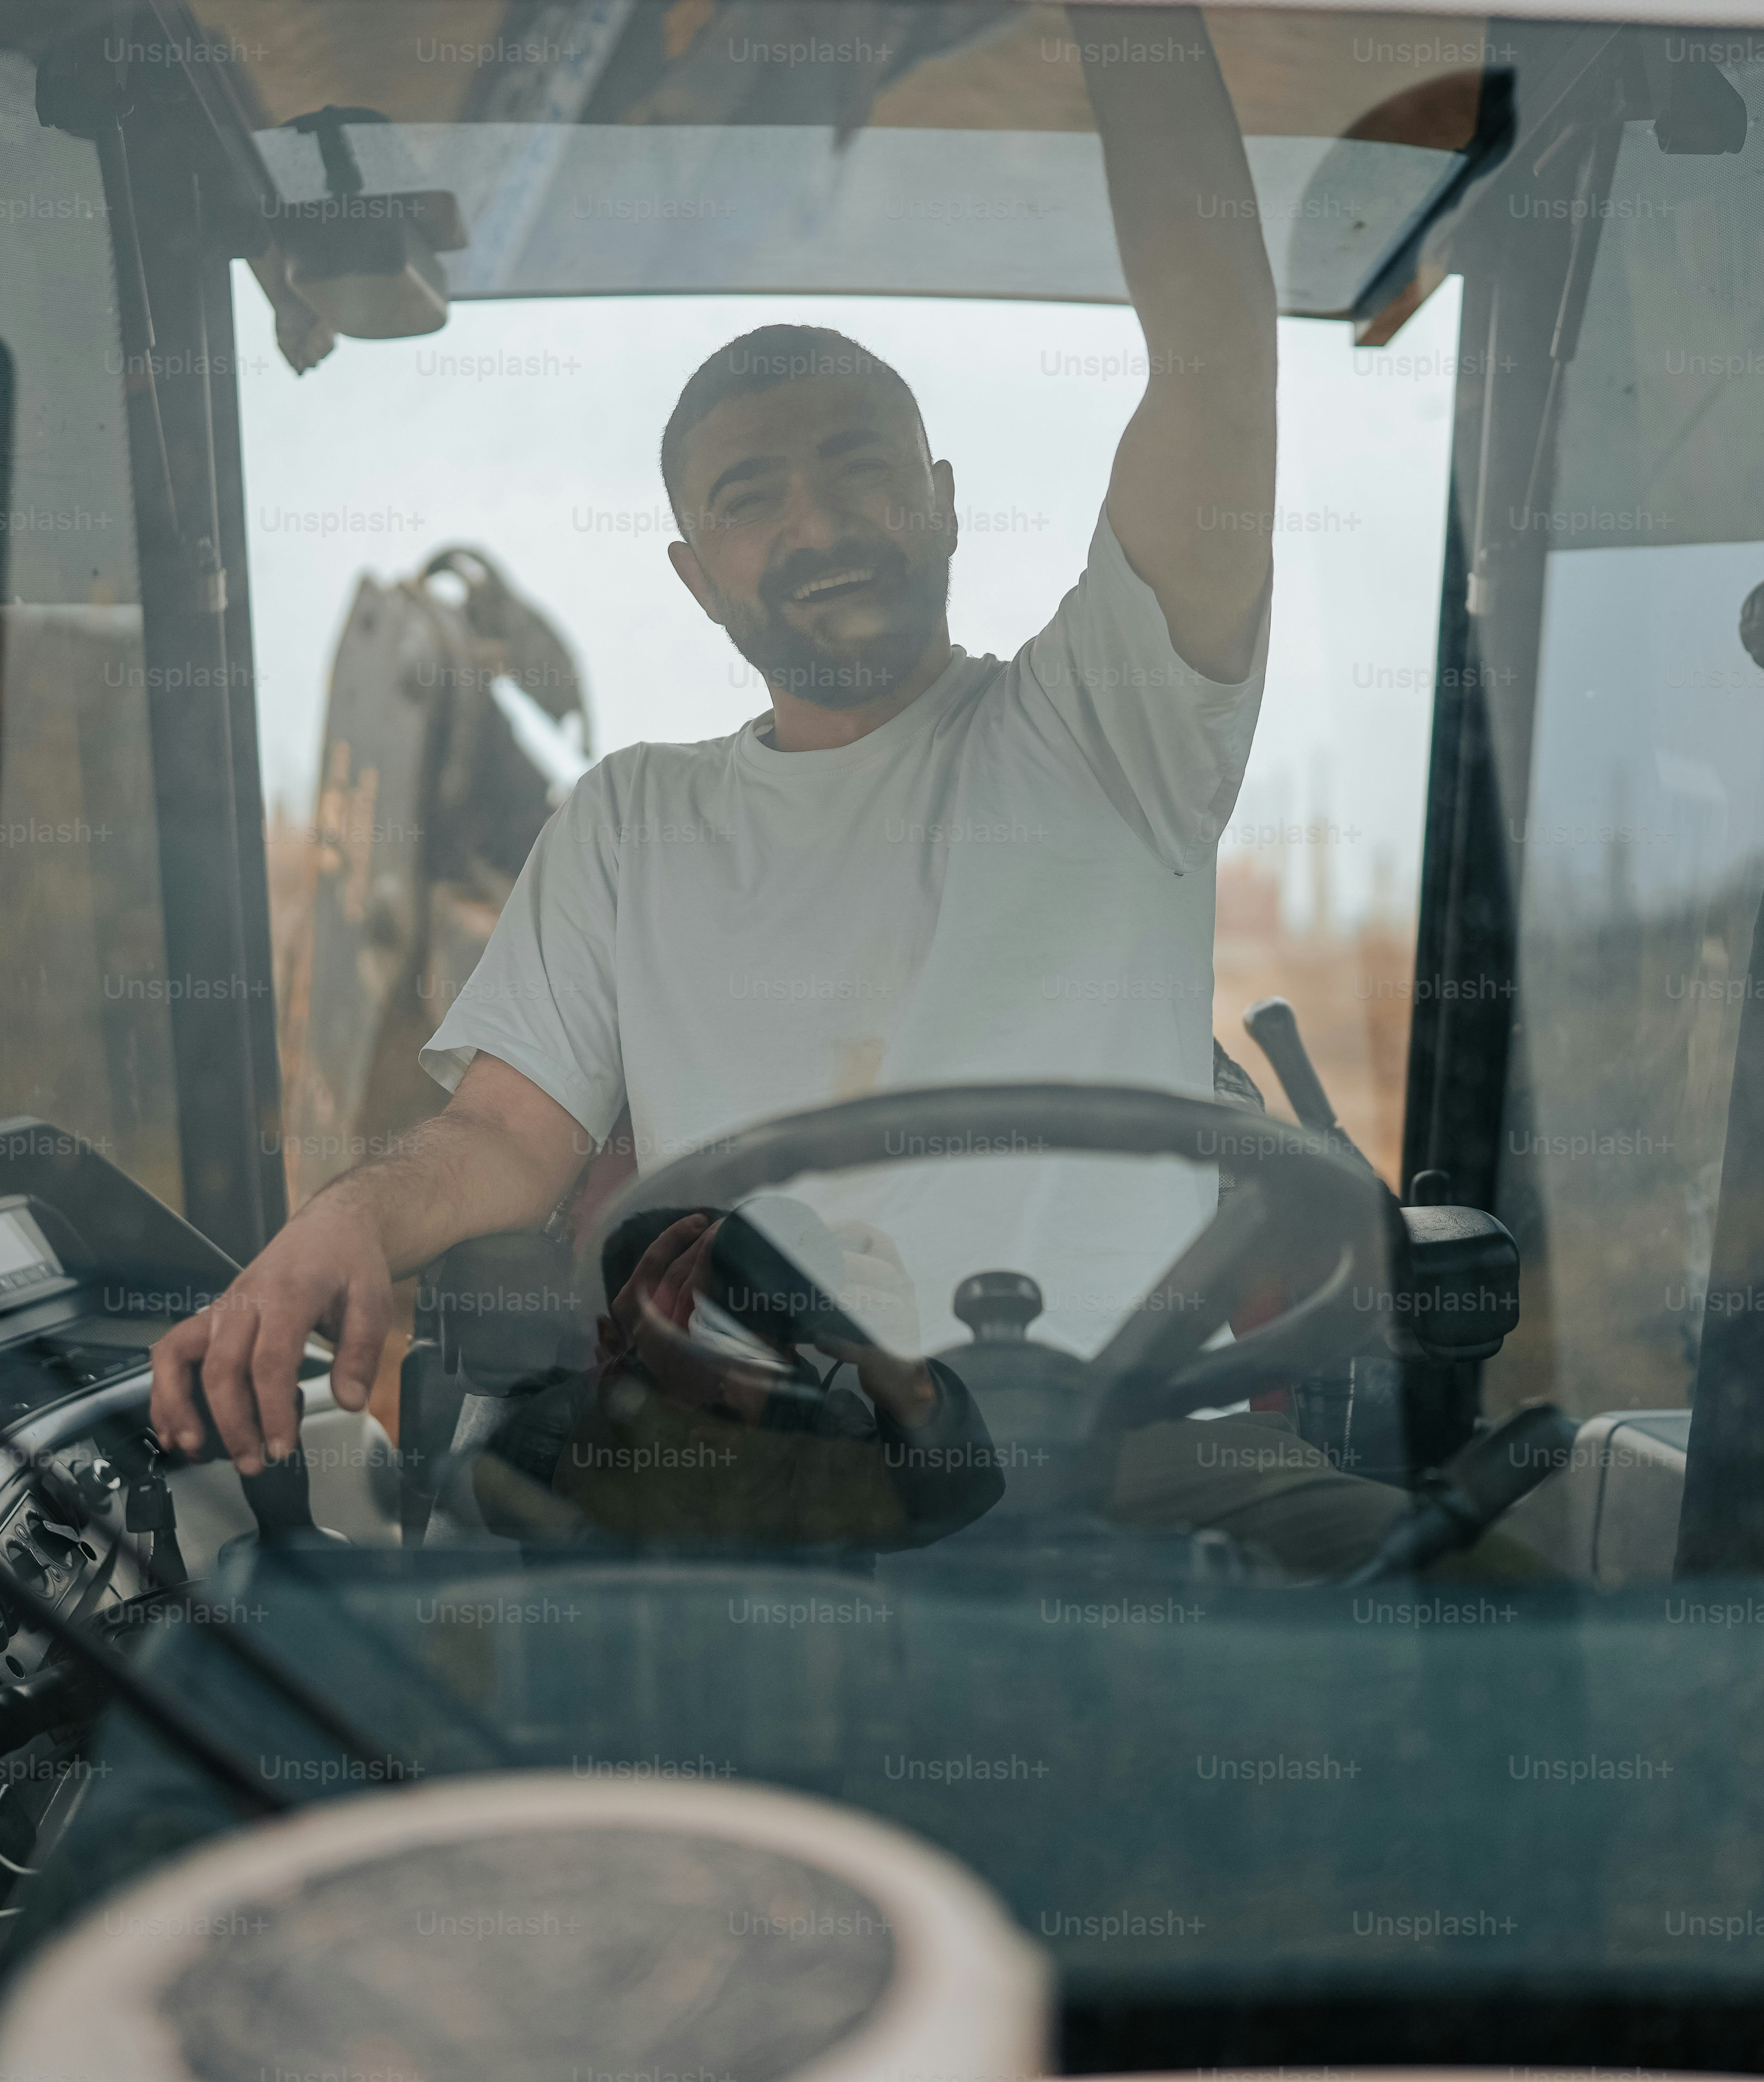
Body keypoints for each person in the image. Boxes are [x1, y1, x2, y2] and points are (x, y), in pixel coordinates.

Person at [151, 5, 1277, 1507]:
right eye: (754, 494)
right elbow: (498, 1133)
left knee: (1455, 1631)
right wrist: (344, 1222)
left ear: (941, 504)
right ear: (695, 572)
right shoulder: (631, 822)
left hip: (1135, 1471)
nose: (815, 524)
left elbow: (1214, 357)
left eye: (857, 467)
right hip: (774, 1485)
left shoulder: (1110, 720)